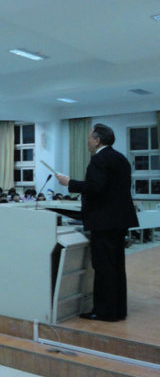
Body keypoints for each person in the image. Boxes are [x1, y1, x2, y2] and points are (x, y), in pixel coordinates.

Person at [56, 123, 138, 322]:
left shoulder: (99, 159)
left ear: (97, 140)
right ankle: (118, 310)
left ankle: (104, 311)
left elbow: (96, 188)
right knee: (116, 267)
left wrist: (70, 183)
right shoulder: (120, 158)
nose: (87, 142)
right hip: (118, 221)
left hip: (103, 222)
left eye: (89, 138)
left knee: (103, 269)